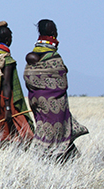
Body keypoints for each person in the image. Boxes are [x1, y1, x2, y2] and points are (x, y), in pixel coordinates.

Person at [24, 19, 88, 162]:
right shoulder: (43, 55)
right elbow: (33, 74)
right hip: (49, 100)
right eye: (54, 30)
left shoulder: (41, 54)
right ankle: (50, 157)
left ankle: (65, 157)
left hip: (43, 99)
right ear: (53, 32)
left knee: (53, 126)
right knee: (54, 128)